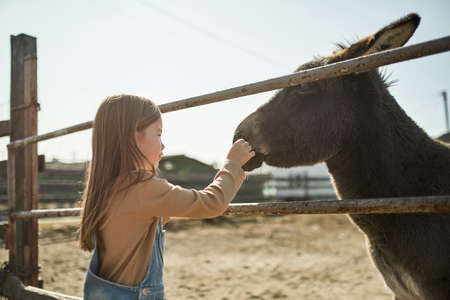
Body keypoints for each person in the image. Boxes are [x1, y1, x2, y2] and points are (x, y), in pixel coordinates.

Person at [79, 94, 255, 300]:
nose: (163, 146)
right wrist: (232, 165)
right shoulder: (142, 188)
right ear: (133, 136)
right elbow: (211, 203)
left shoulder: (108, 188)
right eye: (159, 134)